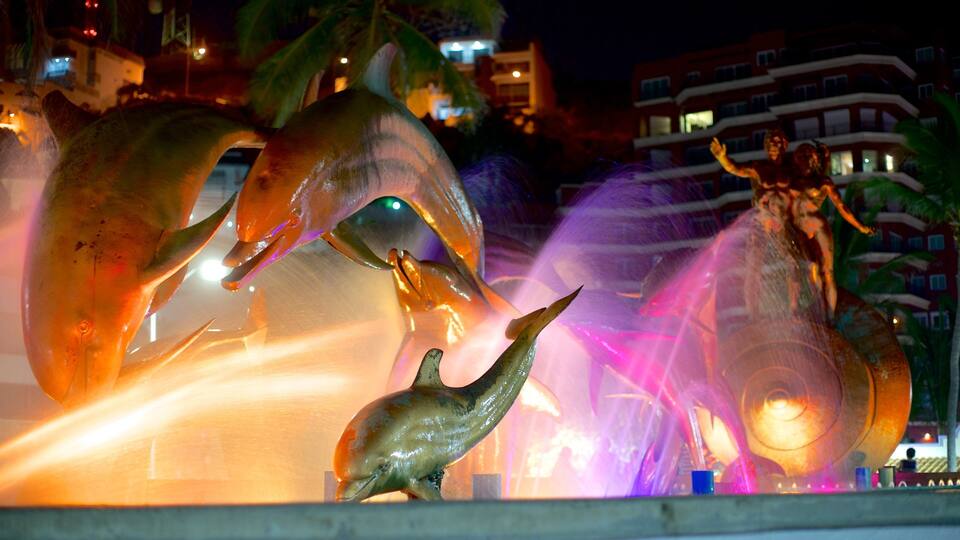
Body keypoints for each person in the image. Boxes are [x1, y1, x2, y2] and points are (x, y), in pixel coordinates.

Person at [790, 142, 875, 320]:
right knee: (796, 270)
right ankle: (795, 311)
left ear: (814, 159)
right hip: (798, 228)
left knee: (827, 272)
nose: (805, 158)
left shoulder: (823, 182)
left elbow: (842, 207)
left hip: (817, 225)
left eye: (809, 155)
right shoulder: (791, 181)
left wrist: (861, 227)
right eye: (802, 155)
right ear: (796, 159)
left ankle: (829, 317)